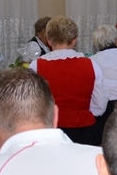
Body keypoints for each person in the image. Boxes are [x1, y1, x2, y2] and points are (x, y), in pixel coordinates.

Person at [30, 17, 107, 145]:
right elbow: (100, 105)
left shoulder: (36, 66)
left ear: (49, 40)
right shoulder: (91, 64)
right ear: (74, 40)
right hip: (84, 131)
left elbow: (32, 104)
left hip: (51, 131)